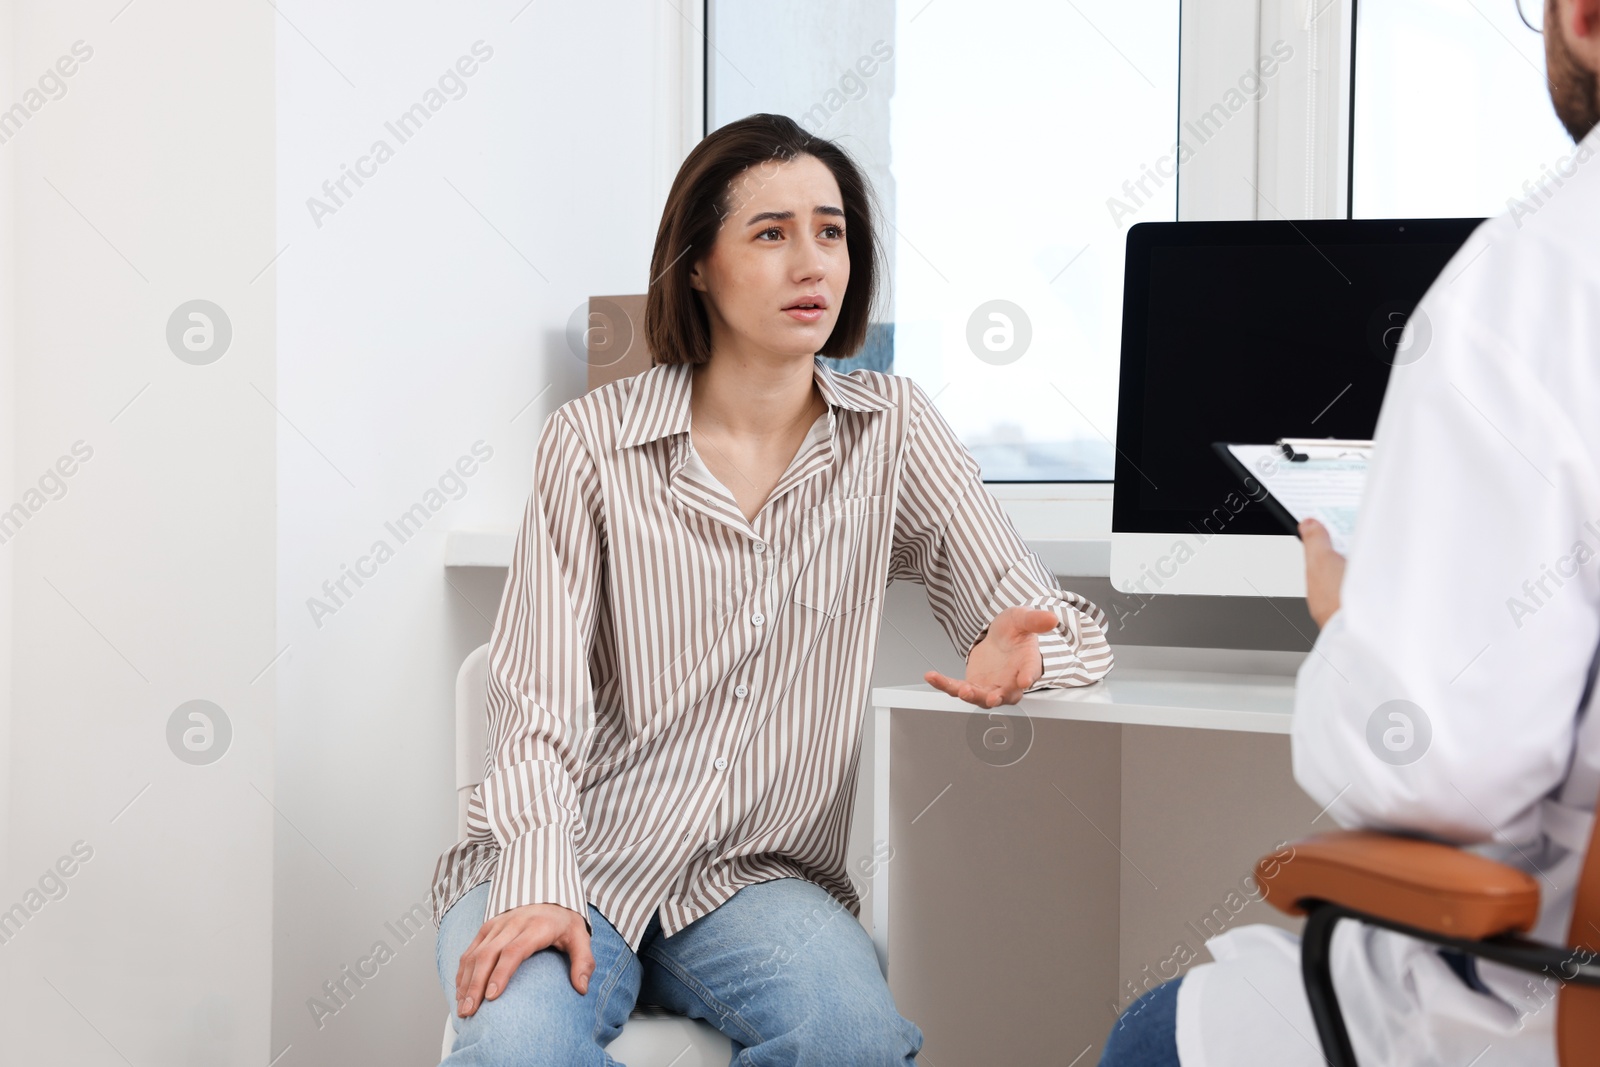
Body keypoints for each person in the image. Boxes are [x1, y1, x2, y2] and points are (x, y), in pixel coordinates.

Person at [427, 112, 1114, 1065]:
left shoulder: (895, 431)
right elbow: (534, 701)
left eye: (830, 232)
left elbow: (1047, 617)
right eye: (771, 232)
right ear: (697, 264)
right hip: (571, 856)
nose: (812, 263)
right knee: (517, 1048)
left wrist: (1029, 652)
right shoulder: (592, 441)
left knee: (855, 1039)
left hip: (758, 882)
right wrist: (540, 882)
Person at [1098, 1, 1600, 1064]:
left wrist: (1353, 623)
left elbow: (1437, 763)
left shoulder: (1540, 277)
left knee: (1149, 1034)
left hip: (1549, 992)